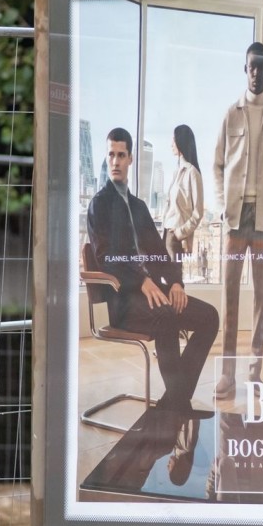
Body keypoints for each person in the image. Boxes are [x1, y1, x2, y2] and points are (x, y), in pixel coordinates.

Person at [88, 127, 219, 410]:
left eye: (121, 155)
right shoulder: (99, 205)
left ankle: (174, 401)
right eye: (111, 154)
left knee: (210, 317)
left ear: (130, 159)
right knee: (165, 317)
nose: (115, 161)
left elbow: (160, 253)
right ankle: (177, 405)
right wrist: (141, 282)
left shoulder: (139, 207)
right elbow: (106, 258)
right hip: (123, 299)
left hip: (153, 291)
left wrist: (175, 283)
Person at [212, 41, 263, 398]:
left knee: (261, 298)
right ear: (245, 70)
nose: (257, 73)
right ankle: (227, 374)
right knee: (230, 295)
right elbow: (216, 166)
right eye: (251, 67)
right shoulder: (231, 114)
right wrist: (221, 206)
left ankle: (255, 372)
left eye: (262, 67)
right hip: (235, 218)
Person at [161, 124, 205, 265]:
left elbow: (198, 212)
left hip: (177, 238)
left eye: (173, 140)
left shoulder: (192, 173)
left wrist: (180, 232)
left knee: (175, 282)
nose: (171, 144)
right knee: (167, 281)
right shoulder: (176, 172)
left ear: (180, 141)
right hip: (166, 234)